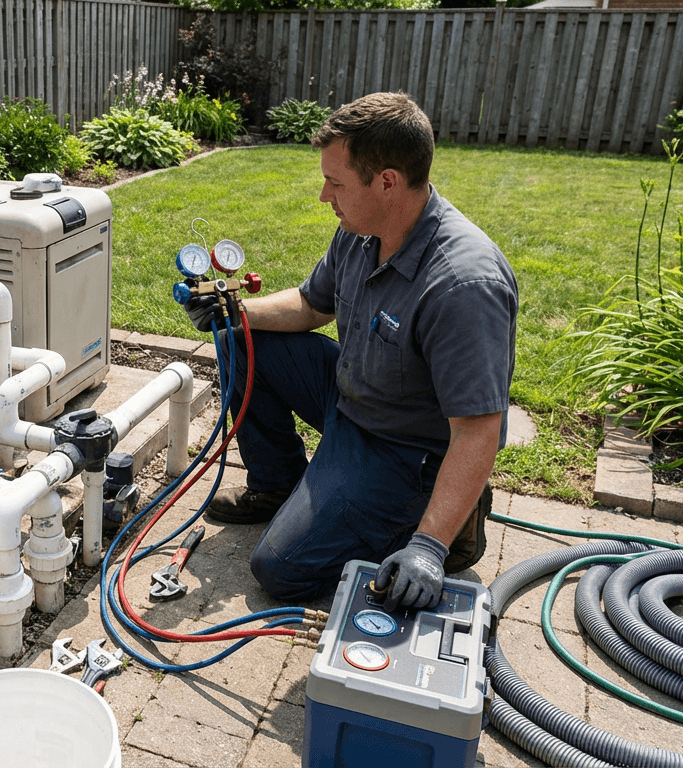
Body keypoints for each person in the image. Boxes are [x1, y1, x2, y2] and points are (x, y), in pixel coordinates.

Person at [184, 92, 517, 611]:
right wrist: (234, 310)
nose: (324, 195)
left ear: (386, 182)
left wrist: (426, 550)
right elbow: (310, 305)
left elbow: (479, 431)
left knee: (281, 570)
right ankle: (278, 486)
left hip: (402, 448)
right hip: (351, 394)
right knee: (237, 342)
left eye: (335, 182)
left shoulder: (462, 285)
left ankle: (448, 522)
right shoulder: (361, 232)